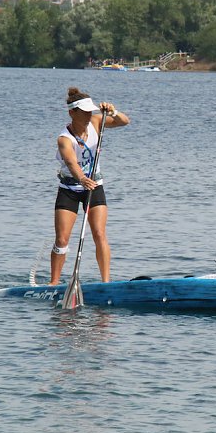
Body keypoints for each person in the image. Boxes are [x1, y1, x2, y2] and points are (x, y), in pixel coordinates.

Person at [50, 87, 130, 285]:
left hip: (94, 187)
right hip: (70, 189)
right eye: (84, 112)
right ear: (72, 113)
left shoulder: (96, 122)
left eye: (90, 111)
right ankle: (53, 283)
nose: (88, 115)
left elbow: (124, 122)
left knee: (99, 233)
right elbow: (71, 163)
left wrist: (113, 112)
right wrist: (81, 178)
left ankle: (106, 283)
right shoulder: (64, 139)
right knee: (62, 240)